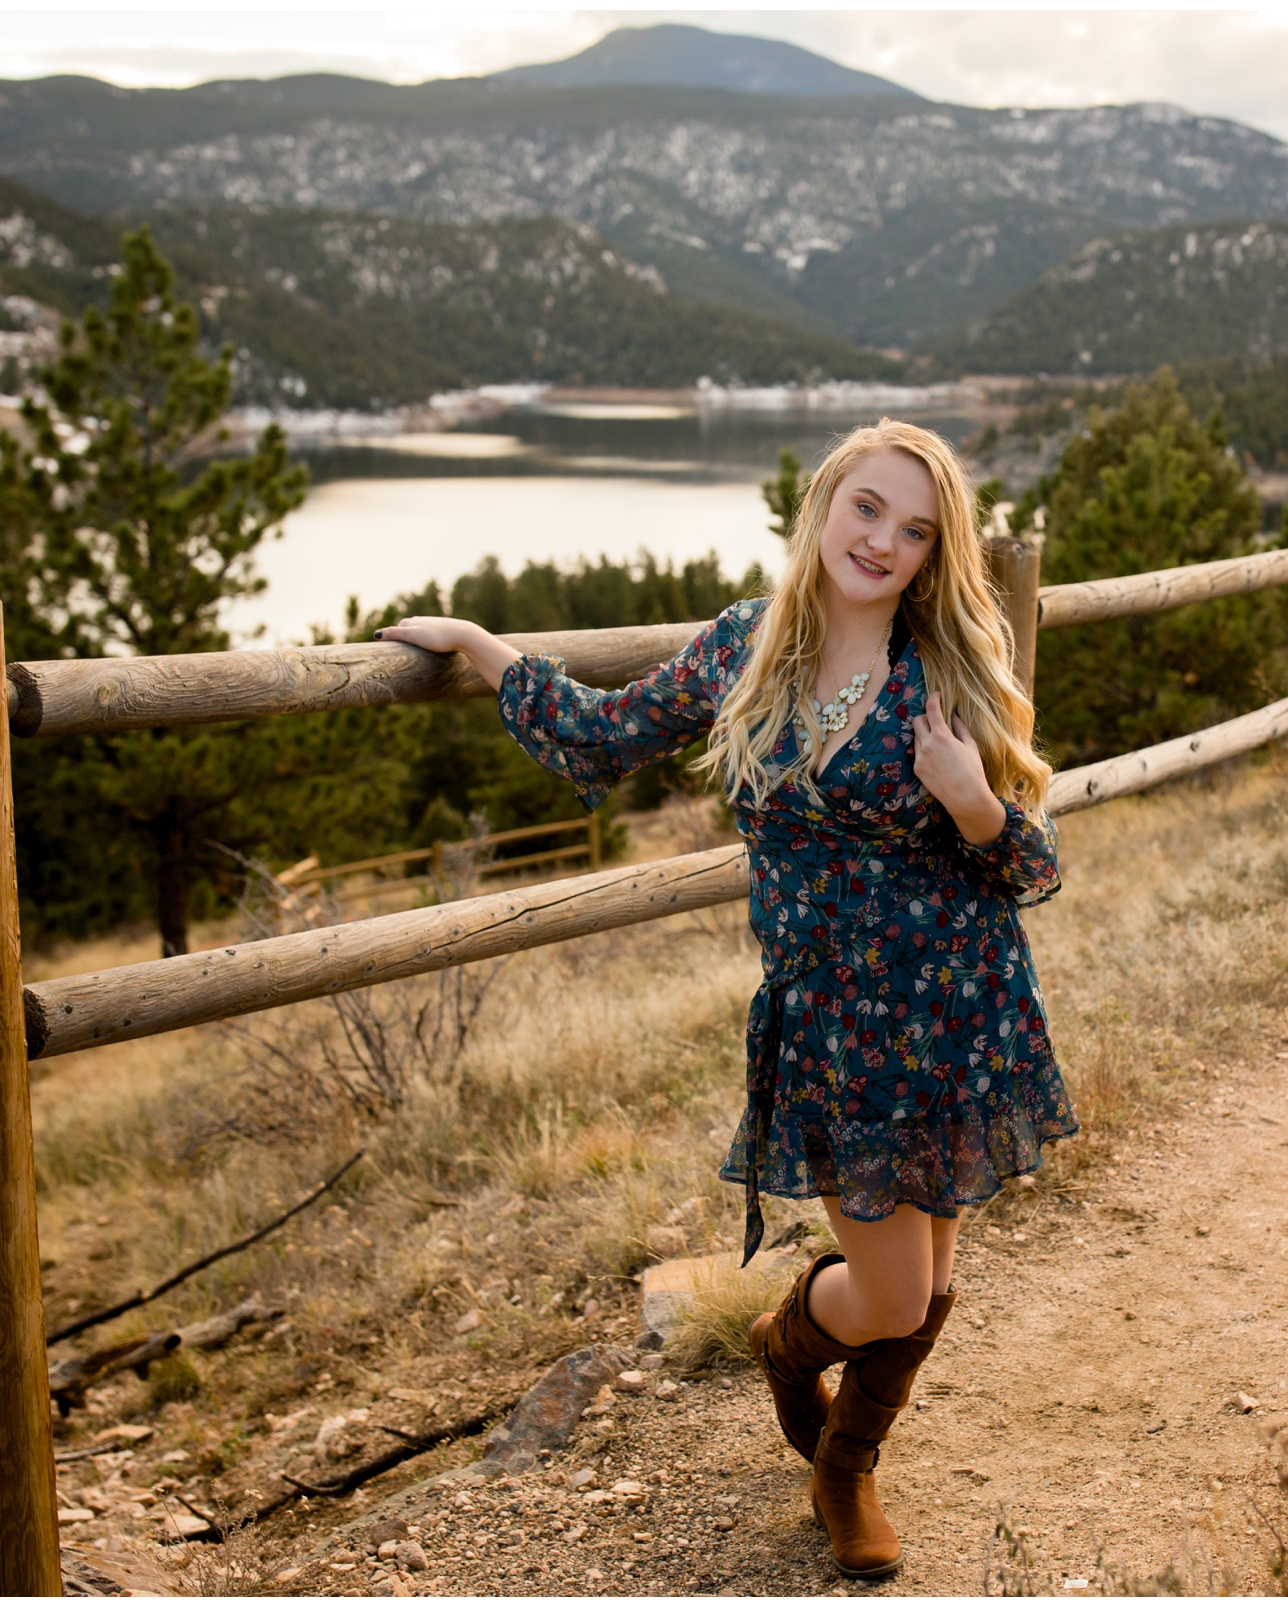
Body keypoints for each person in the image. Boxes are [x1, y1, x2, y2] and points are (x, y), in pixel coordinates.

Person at [375, 419, 1077, 1578]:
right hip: (835, 1025)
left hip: (958, 1003)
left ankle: (845, 1467)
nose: (883, 542)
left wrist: (971, 802)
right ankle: (788, 1342)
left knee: (930, 1282)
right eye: (867, 508)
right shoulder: (745, 650)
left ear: (932, 552)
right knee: (896, 1293)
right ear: (823, 505)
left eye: (915, 529)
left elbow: (1033, 867)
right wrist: (475, 642)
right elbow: (600, 741)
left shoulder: (943, 673)